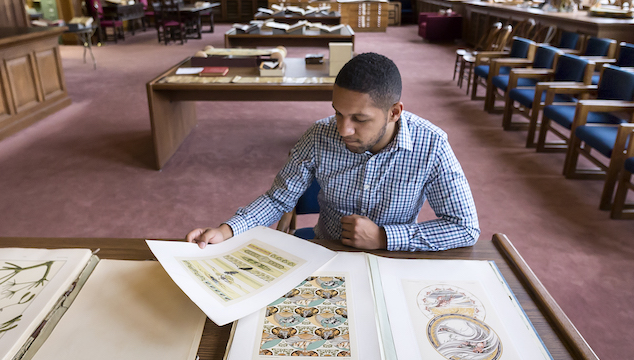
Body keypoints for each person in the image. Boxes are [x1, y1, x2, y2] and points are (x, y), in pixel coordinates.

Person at [185, 52, 479, 251]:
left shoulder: (431, 145)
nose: (343, 129)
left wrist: (385, 238)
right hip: (325, 252)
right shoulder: (319, 135)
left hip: (394, 259)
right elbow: (278, 200)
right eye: (338, 113)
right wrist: (227, 231)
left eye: (359, 119)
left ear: (394, 112)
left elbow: (465, 228)